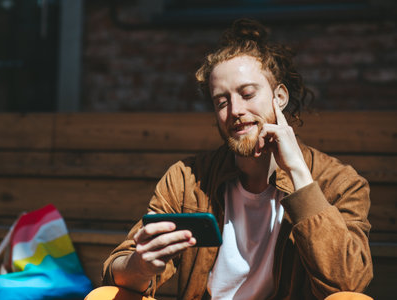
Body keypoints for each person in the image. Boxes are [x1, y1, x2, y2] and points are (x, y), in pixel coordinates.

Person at [98, 19, 373, 299]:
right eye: (221, 101)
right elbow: (116, 269)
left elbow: (348, 282)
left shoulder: (340, 183)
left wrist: (299, 175)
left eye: (247, 93)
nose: (235, 110)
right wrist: (141, 266)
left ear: (279, 97)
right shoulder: (187, 179)